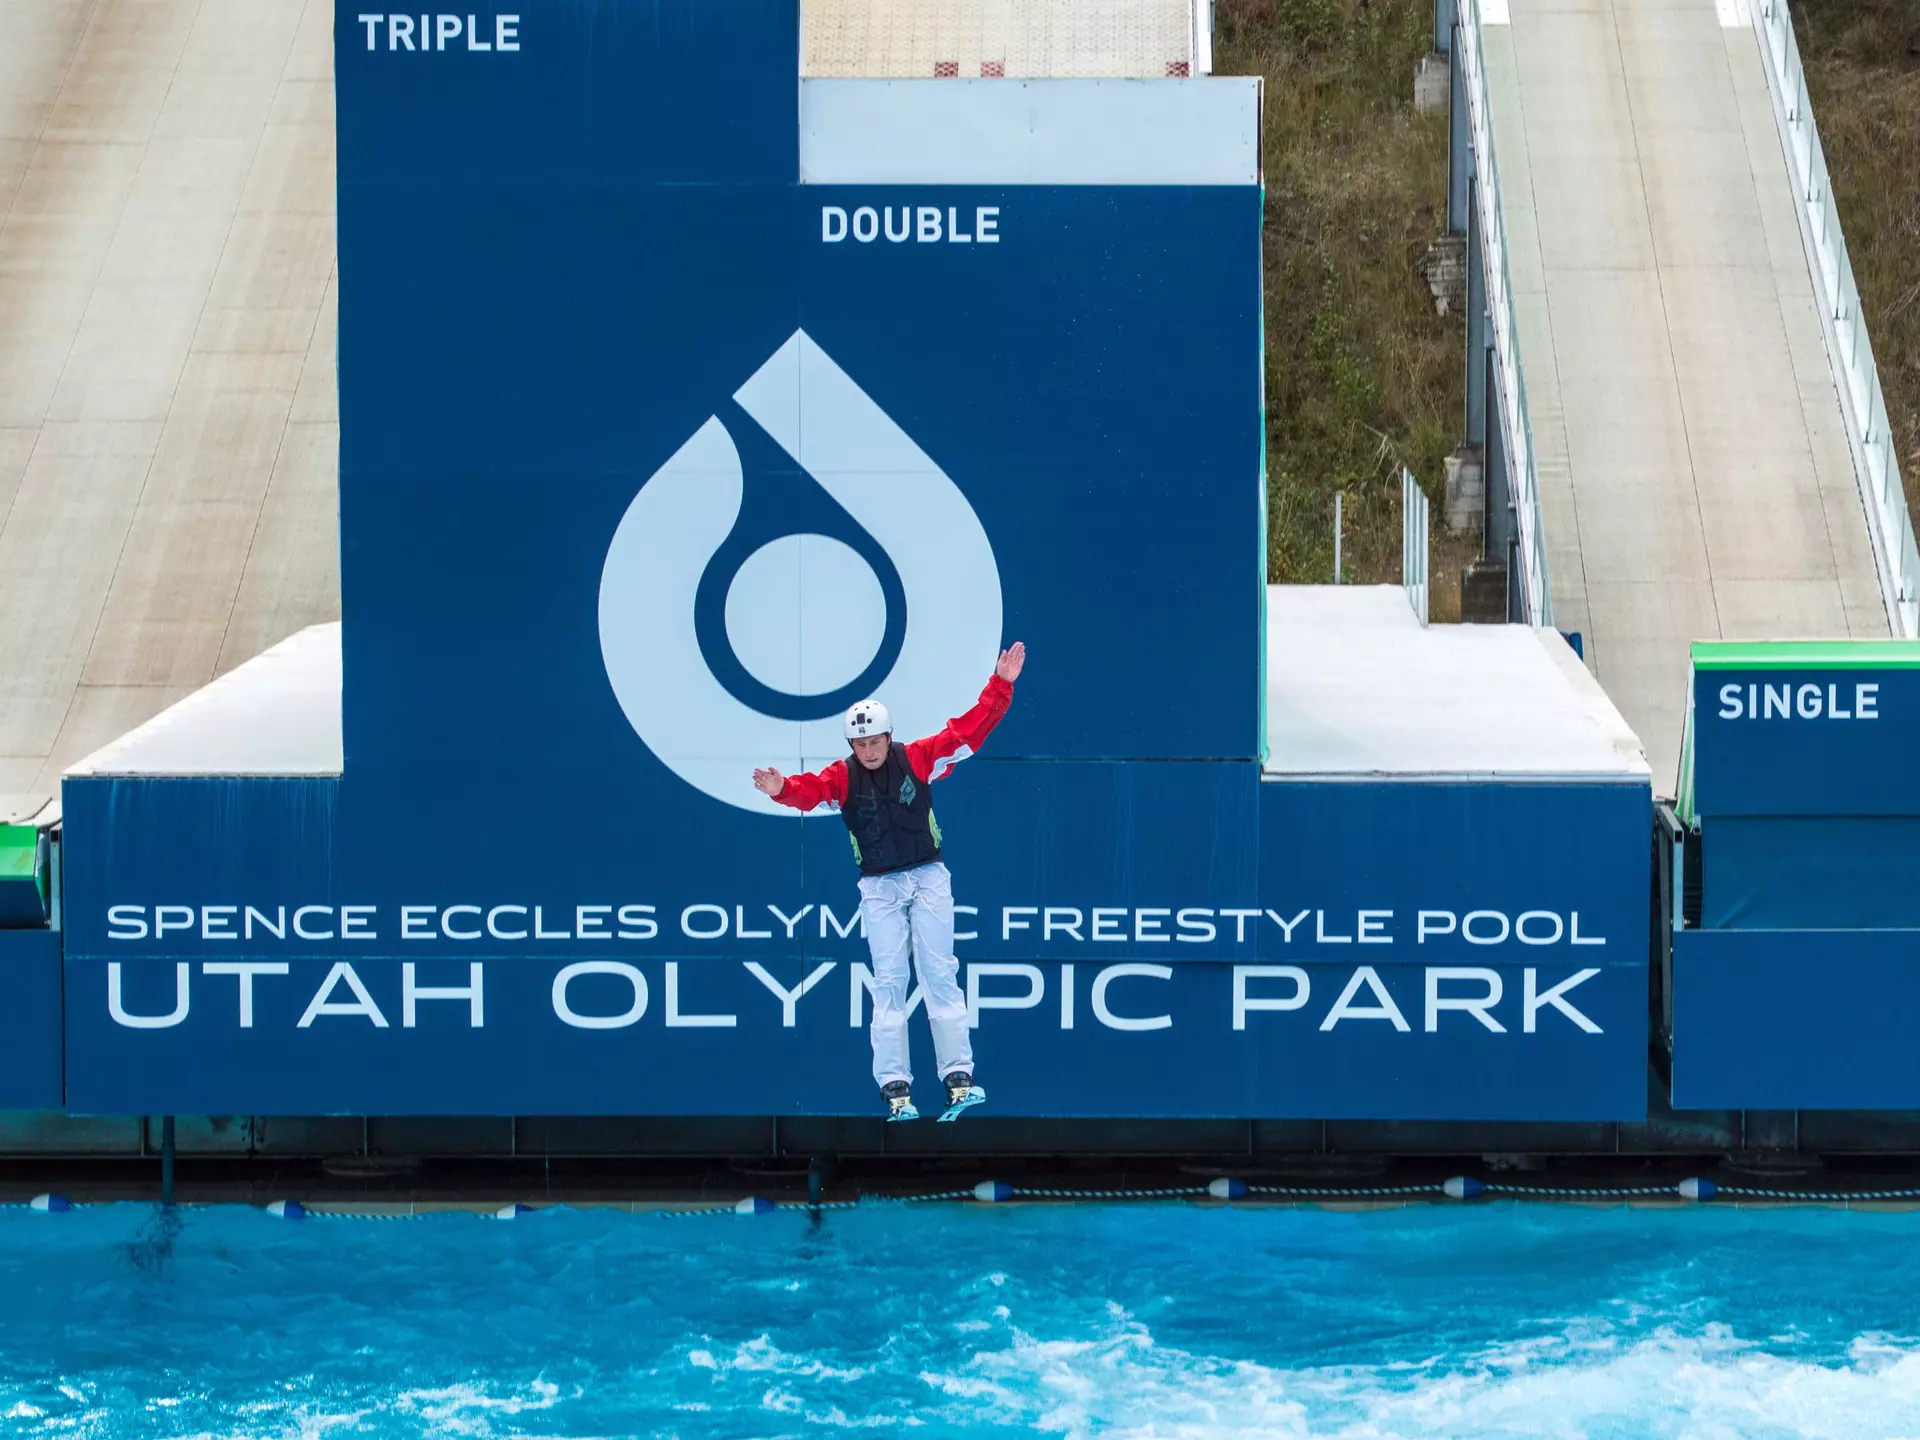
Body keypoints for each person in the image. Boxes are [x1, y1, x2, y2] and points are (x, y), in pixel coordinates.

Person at [752, 642, 1026, 1120]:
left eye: (876, 741)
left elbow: (966, 734)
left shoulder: (917, 759)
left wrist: (999, 686)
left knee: (940, 971)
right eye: (861, 744)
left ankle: (958, 1076)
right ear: (852, 747)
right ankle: (894, 1084)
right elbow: (809, 791)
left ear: (888, 736)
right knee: (890, 980)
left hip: (927, 876)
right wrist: (781, 789)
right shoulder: (842, 778)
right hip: (878, 887)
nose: (870, 750)